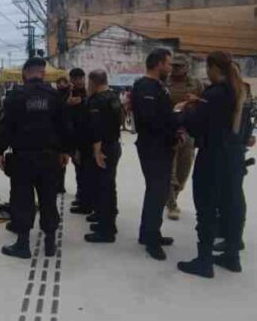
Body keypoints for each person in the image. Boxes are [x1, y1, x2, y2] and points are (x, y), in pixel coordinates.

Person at [0, 57, 72, 259]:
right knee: (48, 198)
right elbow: (64, 127)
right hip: (49, 157)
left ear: (24, 74)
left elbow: (5, 128)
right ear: (43, 73)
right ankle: (49, 243)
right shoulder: (55, 96)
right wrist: (65, 151)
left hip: (23, 158)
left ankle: (22, 244)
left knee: (23, 199)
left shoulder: (15, 97)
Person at [174, 51, 242, 278]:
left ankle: (204, 261)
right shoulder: (235, 90)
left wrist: (185, 111)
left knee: (205, 209)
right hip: (231, 156)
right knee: (227, 206)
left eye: (208, 68)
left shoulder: (214, 93)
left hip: (212, 156)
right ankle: (232, 256)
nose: (206, 72)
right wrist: (199, 104)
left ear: (214, 68)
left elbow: (197, 126)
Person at [132, 48, 179, 261]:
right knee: (156, 192)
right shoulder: (145, 87)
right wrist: (177, 118)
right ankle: (150, 239)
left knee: (157, 193)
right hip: (153, 147)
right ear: (159, 63)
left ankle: (150, 233)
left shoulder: (157, 86)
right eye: (168, 64)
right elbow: (151, 120)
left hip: (161, 146)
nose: (170, 68)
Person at [216, 77, 256, 271]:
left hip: (231, 155)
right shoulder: (242, 100)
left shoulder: (238, 102)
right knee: (232, 199)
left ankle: (232, 250)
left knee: (233, 200)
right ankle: (232, 240)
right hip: (236, 153)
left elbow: (234, 132)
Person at [83, 70, 123, 243]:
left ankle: (106, 231)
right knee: (107, 186)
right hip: (113, 144)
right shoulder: (113, 96)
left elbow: (97, 129)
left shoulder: (98, 101)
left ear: (93, 82)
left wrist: (97, 152)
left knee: (104, 189)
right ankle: (107, 222)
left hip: (103, 148)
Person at [165, 54, 203, 220]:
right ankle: (171, 203)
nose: (176, 69)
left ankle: (175, 195)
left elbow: (204, 103)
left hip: (189, 130)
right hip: (170, 129)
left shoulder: (196, 83)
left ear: (187, 67)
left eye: (180, 66)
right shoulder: (165, 82)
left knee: (184, 169)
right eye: (174, 66)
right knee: (170, 169)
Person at [64, 68, 92, 215]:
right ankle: (81, 197)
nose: (78, 81)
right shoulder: (68, 94)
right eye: (75, 79)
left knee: (85, 172)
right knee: (78, 171)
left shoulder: (88, 94)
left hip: (85, 140)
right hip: (72, 139)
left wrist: (81, 101)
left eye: (80, 78)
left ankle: (86, 203)